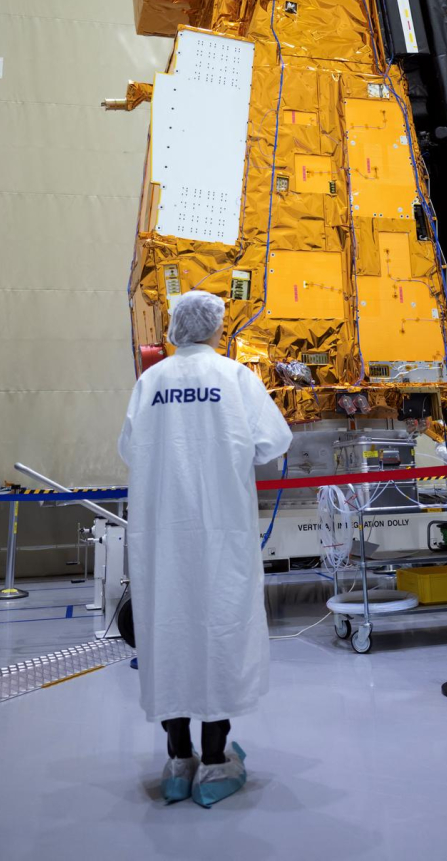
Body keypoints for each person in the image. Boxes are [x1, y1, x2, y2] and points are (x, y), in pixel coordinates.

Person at [118, 290, 293, 808]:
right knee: (220, 631)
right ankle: (215, 765)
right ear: (216, 328)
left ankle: (178, 761)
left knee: (168, 632)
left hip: (162, 539)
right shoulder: (236, 378)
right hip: (221, 536)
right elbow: (273, 442)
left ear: (175, 327)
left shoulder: (151, 381)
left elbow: (130, 448)